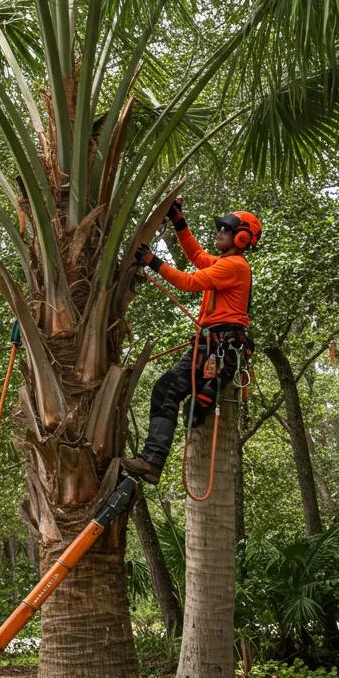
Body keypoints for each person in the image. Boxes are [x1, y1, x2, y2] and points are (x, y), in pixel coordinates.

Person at [124, 199, 261, 485]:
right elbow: (197, 256)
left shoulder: (235, 266)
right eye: (220, 228)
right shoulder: (227, 262)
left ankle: (152, 461)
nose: (220, 232)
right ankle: (151, 461)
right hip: (211, 344)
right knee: (166, 390)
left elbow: (188, 281)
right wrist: (179, 222)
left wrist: (153, 262)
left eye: (227, 229)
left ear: (242, 238)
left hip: (219, 347)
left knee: (167, 390)